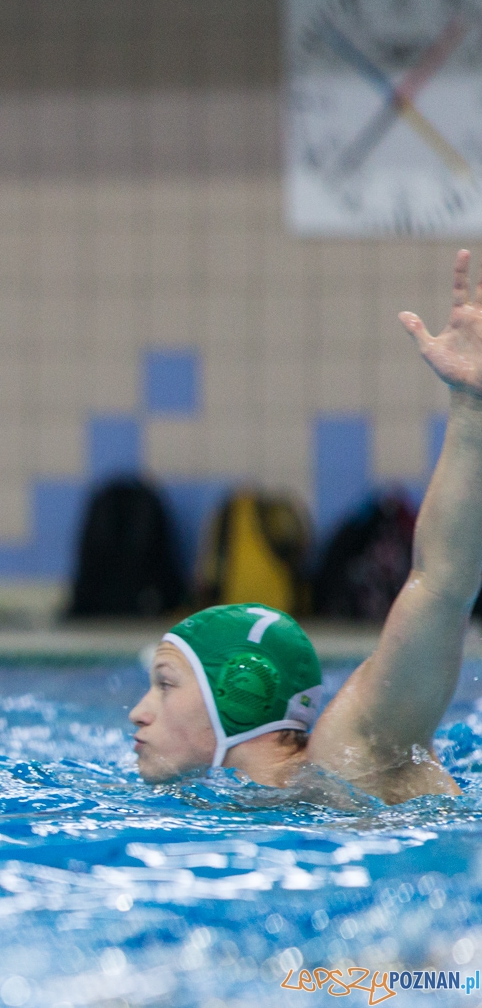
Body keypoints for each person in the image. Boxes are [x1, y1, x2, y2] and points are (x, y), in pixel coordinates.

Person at [131, 250, 482, 803]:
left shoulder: (352, 755)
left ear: (241, 693)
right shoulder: (216, 801)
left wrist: (472, 411)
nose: (139, 713)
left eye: (166, 686)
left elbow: (441, 585)